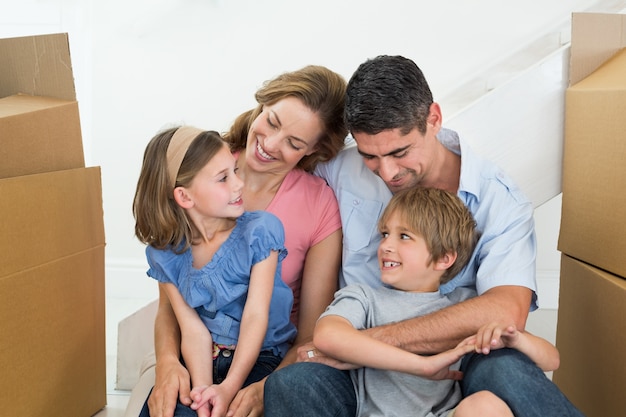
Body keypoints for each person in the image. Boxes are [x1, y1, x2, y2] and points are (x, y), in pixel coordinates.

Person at [264, 55, 585, 417]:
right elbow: (272, 166)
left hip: (451, 366)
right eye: (370, 156)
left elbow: (506, 310)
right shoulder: (338, 170)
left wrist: (363, 344)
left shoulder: (498, 200)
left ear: (433, 118)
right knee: (295, 383)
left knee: (506, 368)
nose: (386, 171)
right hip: (356, 379)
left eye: (399, 152)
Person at [132, 65, 348, 417]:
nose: (270, 145)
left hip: (266, 357)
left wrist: (264, 389)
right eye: (272, 122)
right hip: (200, 352)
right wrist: (169, 364)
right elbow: (172, 308)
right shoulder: (202, 165)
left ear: (314, 150)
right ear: (262, 104)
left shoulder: (317, 205)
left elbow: (309, 332)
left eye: (294, 143)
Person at [314, 186, 565, 417]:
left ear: (444, 258)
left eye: (404, 236)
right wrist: (421, 365)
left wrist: (517, 339)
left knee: (485, 406)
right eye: (385, 234)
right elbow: (328, 336)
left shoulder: (464, 306)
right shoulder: (364, 298)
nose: (386, 245)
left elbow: (551, 360)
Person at [133, 126, 297, 417]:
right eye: (223, 178)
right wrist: (203, 393)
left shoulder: (260, 231)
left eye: (235, 170)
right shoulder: (164, 255)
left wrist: (228, 387)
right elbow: (193, 330)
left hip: (258, 357)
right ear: (184, 197)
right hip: (202, 358)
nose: (239, 184)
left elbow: (255, 315)